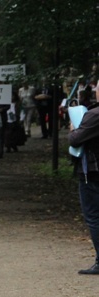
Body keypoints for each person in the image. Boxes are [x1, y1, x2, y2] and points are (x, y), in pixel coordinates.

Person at [68, 105, 99, 275]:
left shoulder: (93, 115)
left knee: (94, 217)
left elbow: (75, 139)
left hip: (93, 173)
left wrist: (73, 130)